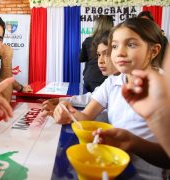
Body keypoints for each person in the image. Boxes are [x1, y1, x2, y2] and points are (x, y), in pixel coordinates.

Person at [54, 18, 165, 179]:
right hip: (110, 167)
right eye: (114, 46)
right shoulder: (112, 82)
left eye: (131, 44)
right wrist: (67, 110)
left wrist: (133, 143)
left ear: (153, 51)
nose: (119, 52)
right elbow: (85, 117)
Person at [42, 30, 118, 117]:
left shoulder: (124, 84)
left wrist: (69, 115)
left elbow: (101, 116)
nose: (100, 61)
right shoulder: (111, 80)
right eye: (99, 55)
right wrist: (61, 101)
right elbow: (93, 98)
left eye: (106, 54)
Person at [80, 15, 114, 92]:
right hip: (101, 79)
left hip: (88, 77)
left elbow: (82, 58)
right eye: (99, 54)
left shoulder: (88, 40)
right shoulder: (112, 41)